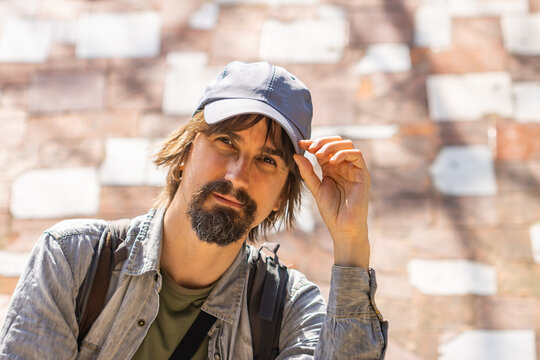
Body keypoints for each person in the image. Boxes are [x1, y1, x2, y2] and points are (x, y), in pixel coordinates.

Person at [0, 61, 387, 359]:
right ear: (186, 152)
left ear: (281, 197)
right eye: (226, 143)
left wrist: (351, 243)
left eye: (267, 161)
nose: (237, 176)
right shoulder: (73, 261)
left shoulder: (289, 310)